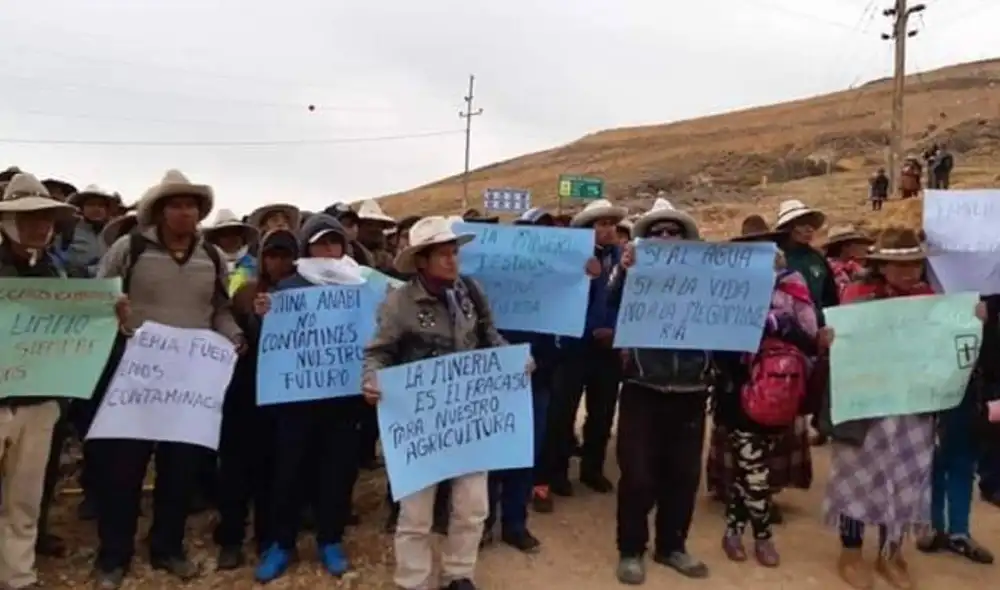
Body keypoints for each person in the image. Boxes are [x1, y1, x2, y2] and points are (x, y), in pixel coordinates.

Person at [90, 170, 243, 589]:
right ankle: (113, 556)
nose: (184, 212)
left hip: (189, 381)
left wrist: (234, 336)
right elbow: (99, 296)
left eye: (191, 205)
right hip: (135, 376)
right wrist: (114, 312)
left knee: (180, 469)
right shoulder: (130, 247)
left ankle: (167, 547)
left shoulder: (211, 257)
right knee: (124, 468)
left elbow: (220, 309)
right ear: (159, 211)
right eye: (175, 205)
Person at [363, 215, 516, 590]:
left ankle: (458, 573)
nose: (452, 260)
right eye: (442, 254)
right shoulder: (398, 303)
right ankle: (413, 580)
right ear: (421, 261)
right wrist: (371, 378)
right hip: (420, 420)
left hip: (467, 415)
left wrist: (512, 360)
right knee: (416, 511)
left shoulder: (471, 293)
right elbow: (379, 352)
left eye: (453, 252)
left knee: (472, 505)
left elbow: (490, 336)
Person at [820, 227, 975, 589]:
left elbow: (946, 344)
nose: (910, 273)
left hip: (912, 408)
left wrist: (971, 320)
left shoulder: (931, 299)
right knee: (859, 477)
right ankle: (852, 552)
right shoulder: (858, 296)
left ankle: (892, 553)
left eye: (916, 265)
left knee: (906, 477)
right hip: (866, 409)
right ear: (882, 266)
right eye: (900, 265)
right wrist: (829, 340)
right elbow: (843, 349)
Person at [252, 214, 366, 583]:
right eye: (321, 243)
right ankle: (282, 543)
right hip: (295, 402)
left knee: (337, 472)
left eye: (335, 242)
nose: (329, 250)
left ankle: (330, 540)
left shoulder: (362, 285)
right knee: (289, 471)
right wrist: (261, 317)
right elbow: (267, 343)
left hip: (343, 401)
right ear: (307, 247)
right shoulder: (287, 289)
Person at [607, 199, 712, 584]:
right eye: (657, 233)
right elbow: (610, 303)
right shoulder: (631, 273)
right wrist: (623, 270)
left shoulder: (706, 278)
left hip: (691, 389)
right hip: (642, 387)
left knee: (683, 475)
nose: (666, 238)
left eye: (673, 233)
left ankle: (672, 546)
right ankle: (631, 549)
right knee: (637, 474)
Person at [714, 217, 825, 569]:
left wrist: (778, 324)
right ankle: (763, 538)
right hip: (737, 388)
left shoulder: (792, 284)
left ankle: (732, 531)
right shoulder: (724, 287)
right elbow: (714, 339)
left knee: (752, 469)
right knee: (754, 469)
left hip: (781, 386)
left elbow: (810, 336)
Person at [0, 173, 93, 590]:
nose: (41, 226)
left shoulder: (58, 273)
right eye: (31, 217)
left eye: (48, 218)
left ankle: (18, 576)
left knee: (24, 496)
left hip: (40, 402)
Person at [213, 228, 298, 570]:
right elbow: (232, 333)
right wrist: (253, 320)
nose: (278, 262)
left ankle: (266, 536)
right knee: (234, 471)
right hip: (244, 395)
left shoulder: (305, 295)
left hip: (281, 399)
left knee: (271, 472)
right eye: (272, 255)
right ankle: (231, 538)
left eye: (285, 255)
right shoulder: (246, 292)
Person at [546, 198, 626, 497]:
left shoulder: (624, 259)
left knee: (603, 413)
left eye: (611, 224)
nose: (609, 230)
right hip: (573, 348)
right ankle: (557, 473)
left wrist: (616, 332)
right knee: (562, 412)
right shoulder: (571, 259)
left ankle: (592, 469)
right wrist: (581, 275)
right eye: (601, 224)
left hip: (608, 349)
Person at [203, 209, 259, 295]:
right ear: (216, 238)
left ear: (242, 236)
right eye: (225, 234)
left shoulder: (257, 266)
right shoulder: (207, 265)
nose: (231, 237)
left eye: (235, 232)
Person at [65, 185, 118, 276]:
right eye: (90, 204)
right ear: (81, 208)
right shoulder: (68, 229)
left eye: (101, 205)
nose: (96, 209)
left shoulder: (115, 233)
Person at [822, 225, 873, 299]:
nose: (863, 247)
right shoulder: (830, 269)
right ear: (845, 247)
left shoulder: (852, 266)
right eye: (858, 243)